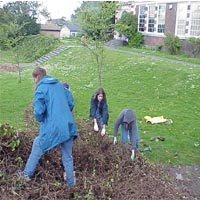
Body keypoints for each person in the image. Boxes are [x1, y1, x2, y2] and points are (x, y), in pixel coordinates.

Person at [17, 67, 78, 190]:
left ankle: (26, 175)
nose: (34, 82)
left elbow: (39, 112)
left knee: (37, 144)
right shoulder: (60, 85)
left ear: (37, 77)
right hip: (68, 125)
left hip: (54, 127)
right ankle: (72, 185)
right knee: (67, 157)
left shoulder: (41, 89)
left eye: (33, 79)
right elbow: (71, 102)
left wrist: (41, 118)